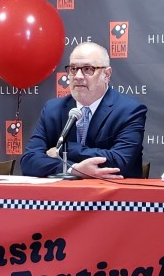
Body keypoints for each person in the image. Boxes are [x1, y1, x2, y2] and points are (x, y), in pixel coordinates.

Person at [20, 42, 147, 179]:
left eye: (87, 69)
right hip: (61, 198)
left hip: (112, 197)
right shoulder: (53, 109)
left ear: (107, 74)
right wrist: (73, 169)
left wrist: (64, 149)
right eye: (73, 69)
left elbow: (119, 161)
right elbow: (29, 161)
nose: (78, 76)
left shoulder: (129, 110)